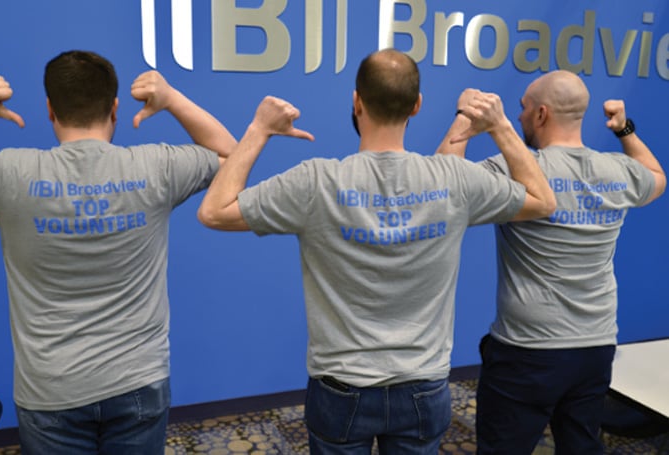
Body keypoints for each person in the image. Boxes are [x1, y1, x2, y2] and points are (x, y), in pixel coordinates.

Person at [197, 48, 556, 454]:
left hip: (341, 388)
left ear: (356, 101)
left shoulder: (316, 181)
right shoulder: (455, 180)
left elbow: (214, 211)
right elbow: (542, 201)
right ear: (417, 106)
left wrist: (259, 128)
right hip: (423, 385)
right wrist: (501, 126)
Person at [0, 50, 236, 454]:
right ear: (116, 108)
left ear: (50, 109)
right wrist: (172, 98)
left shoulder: (6, 174)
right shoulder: (154, 166)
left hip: (50, 388)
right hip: (138, 380)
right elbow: (232, 157)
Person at [439, 70, 665, 454]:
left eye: (524, 108)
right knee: (581, 444)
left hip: (527, 350)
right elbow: (657, 177)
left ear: (541, 114)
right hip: (595, 346)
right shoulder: (618, 170)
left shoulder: (515, 168)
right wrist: (624, 129)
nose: (521, 115)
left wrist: (464, 117)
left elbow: (443, 184)